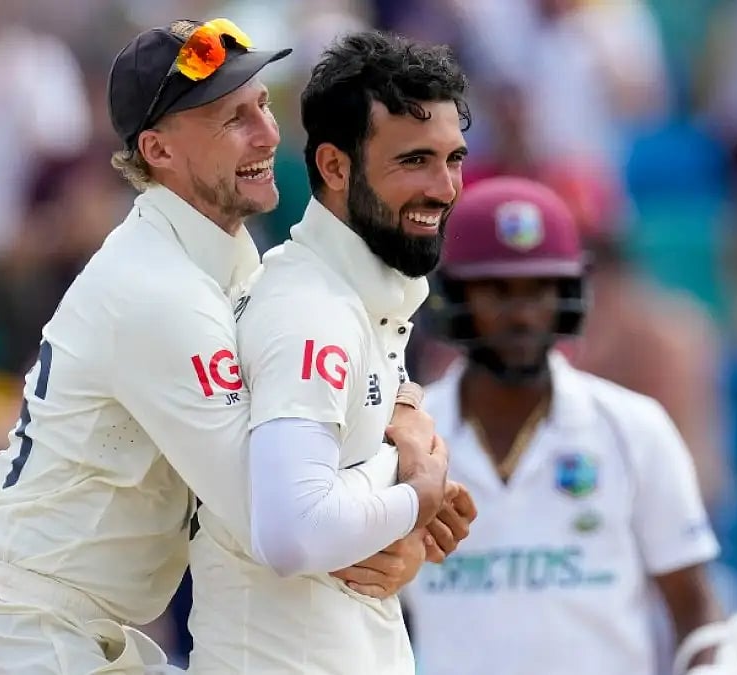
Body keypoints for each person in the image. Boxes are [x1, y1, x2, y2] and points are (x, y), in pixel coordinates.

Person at [0, 19, 456, 673]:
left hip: (58, 627)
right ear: (158, 150)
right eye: (231, 119)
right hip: (15, 636)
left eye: (262, 107)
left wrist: (407, 414)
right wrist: (414, 485)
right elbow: (279, 518)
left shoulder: (226, 263)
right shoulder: (160, 292)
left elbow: (329, 425)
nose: (268, 135)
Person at [185, 31, 476, 674]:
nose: (445, 187)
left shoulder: (363, 294)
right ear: (335, 168)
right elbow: (293, 532)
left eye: (453, 159)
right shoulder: (311, 313)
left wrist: (402, 522)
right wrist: (415, 489)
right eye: (414, 161)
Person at [403, 176, 737, 675]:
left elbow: (694, 607)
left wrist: (713, 663)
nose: (522, 314)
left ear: (569, 294)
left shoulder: (633, 429)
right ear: (452, 297)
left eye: (540, 290)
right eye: (497, 291)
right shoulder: (410, 436)